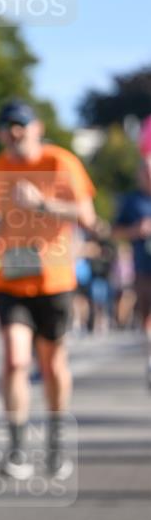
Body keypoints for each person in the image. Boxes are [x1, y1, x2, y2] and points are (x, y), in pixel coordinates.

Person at [0, 100, 96, 480]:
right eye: (7, 125)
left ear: (37, 127)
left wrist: (43, 203)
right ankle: (17, 449)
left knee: (53, 363)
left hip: (53, 278)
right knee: (14, 360)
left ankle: (56, 445)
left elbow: (87, 217)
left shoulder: (61, 162)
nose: (14, 132)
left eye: (21, 124)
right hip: (10, 278)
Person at [112, 153, 151, 387]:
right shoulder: (132, 201)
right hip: (143, 269)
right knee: (145, 317)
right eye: (145, 170)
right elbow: (115, 231)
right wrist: (136, 230)